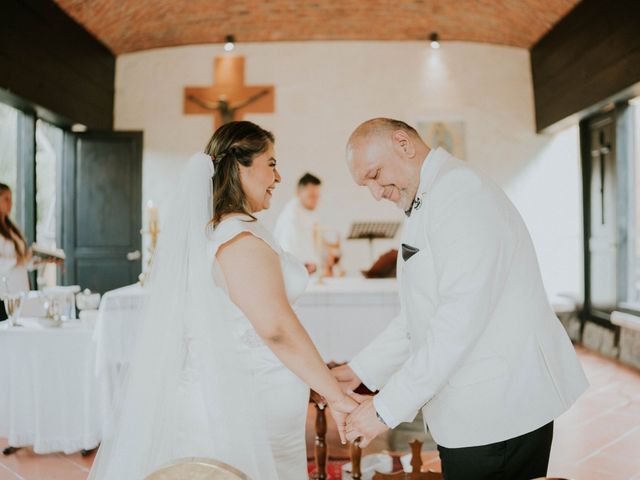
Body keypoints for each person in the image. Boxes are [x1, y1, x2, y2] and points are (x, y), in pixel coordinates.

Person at [87, 121, 357, 480]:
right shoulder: (238, 238)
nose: (278, 177)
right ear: (239, 166)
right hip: (245, 408)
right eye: (272, 164)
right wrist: (335, 396)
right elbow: (275, 328)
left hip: (254, 403)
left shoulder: (232, 230)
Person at [333, 118, 589, 480]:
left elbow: (458, 320)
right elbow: (416, 318)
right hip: (473, 410)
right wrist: (356, 371)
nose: (376, 193)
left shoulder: (461, 194)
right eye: (366, 185)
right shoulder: (428, 198)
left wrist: (384, 409)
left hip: (499, 410)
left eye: (375, 175)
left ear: (403, 143)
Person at [274, 173, 322, 274]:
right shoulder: (291, 216)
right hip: (296, 273)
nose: (315, 200)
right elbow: (289, 249)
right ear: (298, 192)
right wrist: (308, 264)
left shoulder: (305, 213)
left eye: (317, 196)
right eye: (312, 196)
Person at [0, 184, 32, 299]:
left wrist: (41, 259)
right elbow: (17, 261)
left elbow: (24, 262)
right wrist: (16, 261)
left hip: (20, 287)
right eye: (6, 199)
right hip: (5, 291)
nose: (10, 204)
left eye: (11, 199)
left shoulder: (11, 228)